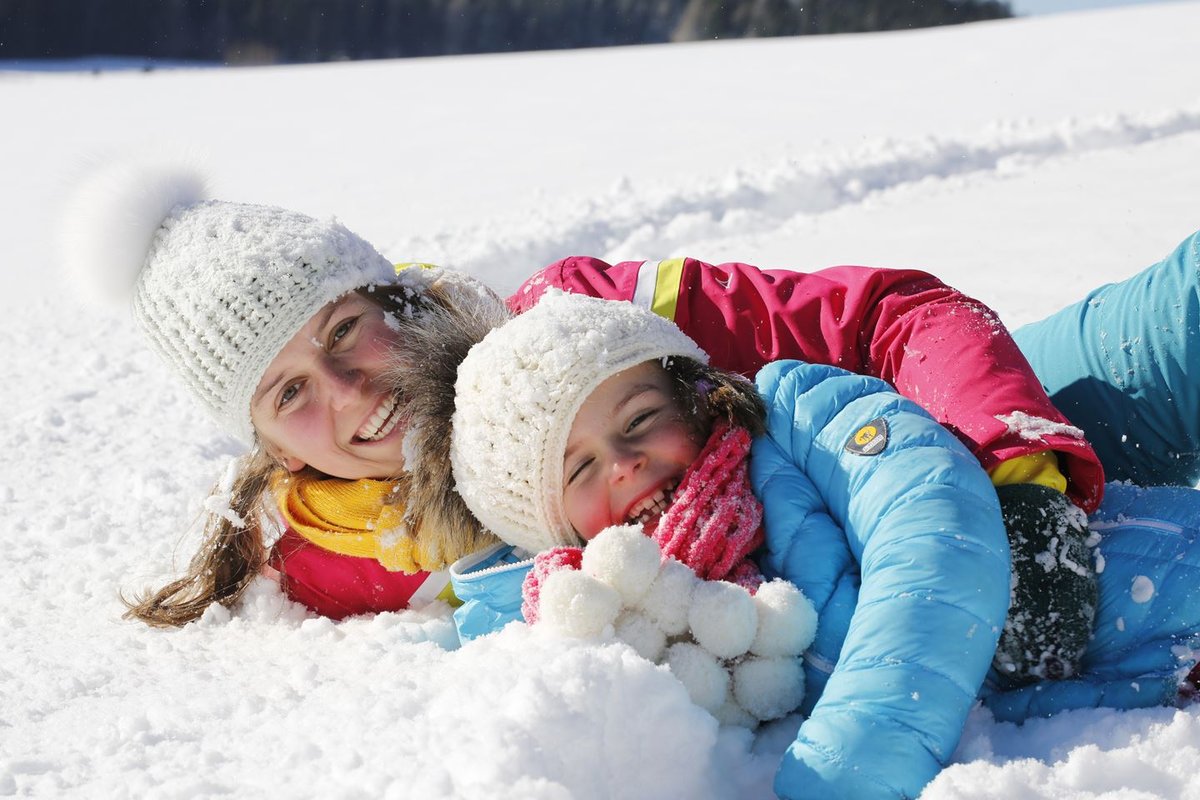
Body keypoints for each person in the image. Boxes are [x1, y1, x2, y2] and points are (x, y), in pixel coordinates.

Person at [74, 164, 1105, 632]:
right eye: (290, 389)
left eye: (348, 327)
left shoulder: (583, 325)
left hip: (969, 419)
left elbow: (897, 314)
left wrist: (1018, 482)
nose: (352, 390)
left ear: (397, 290)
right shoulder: (326, 556)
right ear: (267, 444)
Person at [445, 291, 1200, 800]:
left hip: (1155, 574)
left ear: (695, 393)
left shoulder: (799, 417)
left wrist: (844, 775)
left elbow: (932, 533)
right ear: (558, 530)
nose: (623, 462)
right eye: (580, 468)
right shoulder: (629, 611)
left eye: (640, 418)